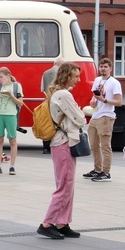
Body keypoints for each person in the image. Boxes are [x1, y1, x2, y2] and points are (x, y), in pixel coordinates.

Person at [37, 62, 86, 239]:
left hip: (61, 142)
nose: (78, 79)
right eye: (76, 76)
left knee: (67, 184)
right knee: (65, 185)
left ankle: (62, 222)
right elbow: (80, 119)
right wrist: (81, 114)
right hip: (64, 142)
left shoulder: (56, 93)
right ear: (67, 76)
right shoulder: (64, 94)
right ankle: (47, 223)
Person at [84, 57, 123, 182]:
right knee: (94, 145)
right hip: (95, 115)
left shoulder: (115, 83)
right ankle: (97, 169)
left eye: (106, 67)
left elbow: (119, 102)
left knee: (105, 146)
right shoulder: (97, 80)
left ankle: (106, 172)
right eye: (101, 66)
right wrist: (93, 101)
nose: (103, 69)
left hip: (106, 116)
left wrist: (104, 100)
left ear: (110, 68)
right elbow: (95, 95)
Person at [0, 67, 23, 175]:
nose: (0, 79)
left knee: (12, 140)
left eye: (1, 77)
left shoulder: (16, 86)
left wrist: (10, 95)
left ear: (8, 75)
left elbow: (20, 103)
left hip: (11, 114)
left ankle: (12, 166)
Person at [40, 57, 64, 154]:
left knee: (47, 123)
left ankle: (46, 146)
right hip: (58, 101)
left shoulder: (45, 73)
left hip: (47, 100)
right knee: (57, 123)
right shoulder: (62, 73)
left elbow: (42, 88)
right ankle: (56, 144)